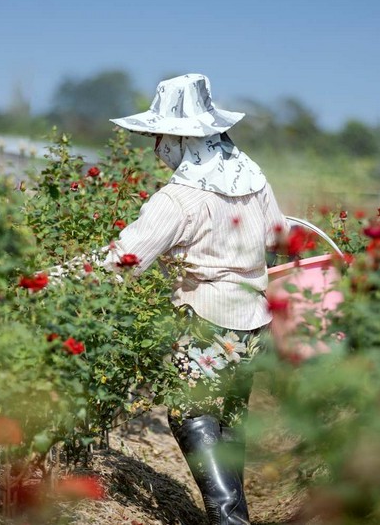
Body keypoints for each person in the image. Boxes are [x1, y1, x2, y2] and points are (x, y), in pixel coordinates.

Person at [102, 73, 287, 525]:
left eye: (158, 136)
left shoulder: (178, 199)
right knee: (229, 418)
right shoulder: (252, 179)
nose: (155, 147)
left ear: (181, 139)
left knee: (191, 413)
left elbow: (122, 262)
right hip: (253, 318)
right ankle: (235, 515)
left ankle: (229, 519)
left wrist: (57, 279)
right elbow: (278, 235)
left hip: (207, 317)